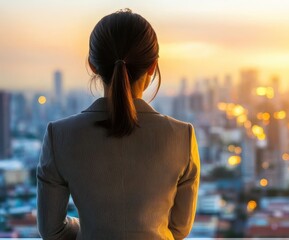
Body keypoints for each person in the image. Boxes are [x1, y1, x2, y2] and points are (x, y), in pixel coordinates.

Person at [36, 9, 200, 240]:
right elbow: (179, 229)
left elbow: (52, 231)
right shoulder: (182, 136)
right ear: (152, 67)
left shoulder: (59, 135)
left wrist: (89, 228)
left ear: (93, 66)